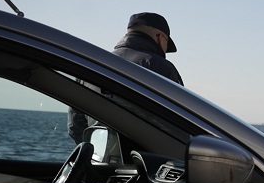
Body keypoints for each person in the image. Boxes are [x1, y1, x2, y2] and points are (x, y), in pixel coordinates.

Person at [68, 12, 184, 142]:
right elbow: (177, 128)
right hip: (145, 160)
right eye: (166, 44)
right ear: (160, 37)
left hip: (98, 158)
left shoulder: (92, 66)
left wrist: (97, 154)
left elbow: (74, 126)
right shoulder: (161, 68)